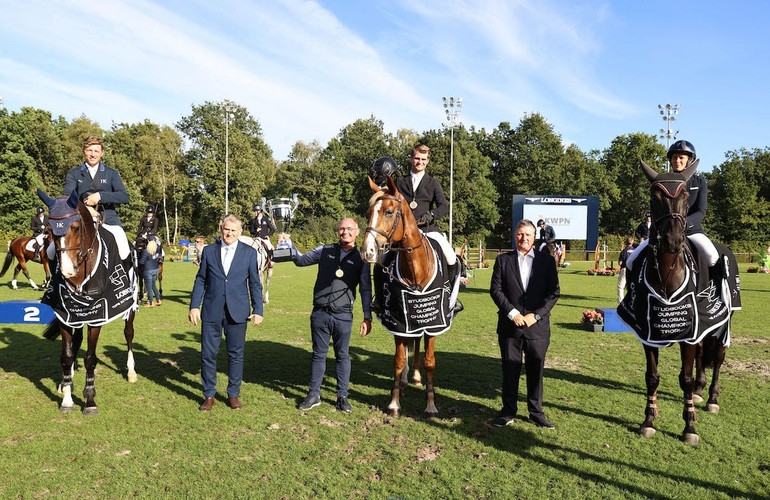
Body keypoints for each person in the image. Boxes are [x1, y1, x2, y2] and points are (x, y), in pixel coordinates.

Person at [291, 218, 372, 413]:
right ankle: (313, 394)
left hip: (343, 315)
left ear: (357, 232)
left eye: (349, 229)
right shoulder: (325, 249)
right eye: (342, 228)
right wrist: (288, 244)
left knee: (342, 356)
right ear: (338, 231)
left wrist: (367, 316)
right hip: (320, 313)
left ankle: (342, 397)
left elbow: (366, 289)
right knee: (318, 355)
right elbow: (300, 261)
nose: (345, 232)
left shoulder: (363, 257)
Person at [490, 219, 560, 429]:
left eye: (528, 235)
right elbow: (496, 290)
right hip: (510, 327)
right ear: (515, 235)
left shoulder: (546, 261)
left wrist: (535, 316)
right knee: (510, 371)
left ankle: (536, 413)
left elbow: (553, 293)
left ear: (534, 237)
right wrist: (512, 313)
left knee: (535, 371)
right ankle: (508, 411)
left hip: (537, 328)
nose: (524, 238)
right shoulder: (503, 260)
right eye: (520, 234)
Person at [189, 214, 264, 411]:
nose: (229, 233)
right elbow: (200, 280)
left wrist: (258, 309)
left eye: (233, 230)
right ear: (221, 229)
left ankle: (233, 394)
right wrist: (194, 305)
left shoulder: (249, 253)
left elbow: (255, 283)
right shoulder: (209, 251)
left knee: (236, 354)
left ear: (240, 232)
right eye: (226, 229)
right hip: (212, 310)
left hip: (238, 312)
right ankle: (209, 395)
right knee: (208, 354)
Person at [371, 147, 458, 311]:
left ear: (428, 161)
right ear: (411, 159)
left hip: (428, 229)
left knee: (452, 257)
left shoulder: (433, 183)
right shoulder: (399, 182)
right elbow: (385, 197)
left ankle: (450, 297)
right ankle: (380, 300)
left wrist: (431, 215)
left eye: (424, 160)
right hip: (403, 232)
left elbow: (444, 207)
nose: (420, 162)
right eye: (417, 158)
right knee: (380, 261)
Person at [628, 140, 718, 270]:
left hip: (692, 232)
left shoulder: (699, 181)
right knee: (631, 260)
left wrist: (685, 223)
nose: (677, 161)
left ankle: (719, 289)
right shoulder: (664, 181)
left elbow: (701, 211)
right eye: (674, 157)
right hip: (665, 232)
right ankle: (633, 290)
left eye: (681, 157)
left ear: (690, 160)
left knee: (712, 257)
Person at [138, 236, 162, 307]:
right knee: (153, 285)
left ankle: (151, 303)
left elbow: (142, 262)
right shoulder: (157, 249)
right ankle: (158, 300)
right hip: (155, 269)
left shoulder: (145, 251)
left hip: (148, 270)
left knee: (149, 287)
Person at [617, 236, 635, 303]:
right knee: (631, 287)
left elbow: (620, 262)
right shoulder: (635, 251)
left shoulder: (624, 251)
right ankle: (631, 301)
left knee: (620, 287)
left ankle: (621, 302)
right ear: (632, 242)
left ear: (625, 243)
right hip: (633, 270)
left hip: (625, 269)